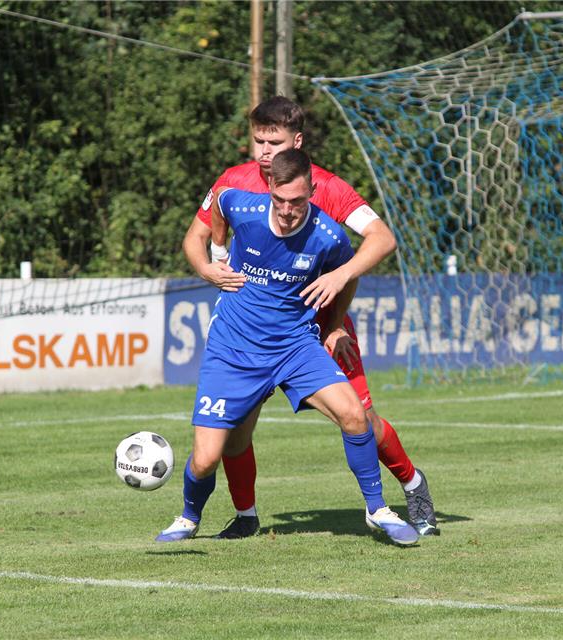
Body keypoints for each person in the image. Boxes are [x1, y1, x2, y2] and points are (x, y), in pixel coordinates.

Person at [183, 96, 437, 538]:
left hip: (321, 326)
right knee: (236, 432)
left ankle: (412, 484)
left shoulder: (329, 188)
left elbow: (379, 237)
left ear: (297, 141)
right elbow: (203, 230)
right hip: (253, 327)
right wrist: (212, 264)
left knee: (363, 419)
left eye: (274, 141)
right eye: (258, 140)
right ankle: (245, 517)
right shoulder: (236, 181)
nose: (264, 151)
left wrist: (338, 289)